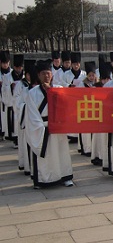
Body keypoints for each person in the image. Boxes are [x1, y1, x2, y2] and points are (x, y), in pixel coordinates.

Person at [26, 60, 74, 189]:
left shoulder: (59, 89)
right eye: (43, 73)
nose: (46, 76)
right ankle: (43, 179)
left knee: (61, 153)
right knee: (45, 155)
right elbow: (32, 114)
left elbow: (66, 105)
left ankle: (65, 177)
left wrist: (51, 92)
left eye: (48, 73)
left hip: (58, 126)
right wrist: (42, 128)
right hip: (42, 127)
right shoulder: (32, 93)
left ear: (52, 74)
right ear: (38, 75)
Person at [14, 59, 38, 175]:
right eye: (28, 75)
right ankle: (27, 166)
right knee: (26, 144)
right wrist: (25, 107)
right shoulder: (22, 87)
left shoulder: (37, 88)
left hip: (36, 122)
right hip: (26, 120)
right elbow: (17, 103)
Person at [90, 61, 112, 167]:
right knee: (98, 137)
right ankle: (98, 156)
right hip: (98, 115)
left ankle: (106, 156)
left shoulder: (112, 87)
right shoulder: (96, 87)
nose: (106, 81)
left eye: (108, 79)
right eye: (104, 79)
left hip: (109, 116)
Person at [1, 53, 24, 147]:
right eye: (17, 67)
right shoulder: (7, 77)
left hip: (21, 103)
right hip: (11, 102)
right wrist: (10, 87)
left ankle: (20, 139)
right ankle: (15, 140)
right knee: (13, 123)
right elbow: (4, 90)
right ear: (14, 67)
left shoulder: (24, 77)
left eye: (20, 67)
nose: (19, 69)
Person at [77, 61, 97, 157]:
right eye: (90, 75)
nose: (91, 77)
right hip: (85, 108)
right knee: (86, 131)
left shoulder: (98, 83)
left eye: (93, 75)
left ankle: (94, 149)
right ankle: (86, 148)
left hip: (96, 109)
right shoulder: (82, 84)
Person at [0, 50, 12, 141]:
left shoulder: (12, 73)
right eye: (3, 63)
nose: (5, 65)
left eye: (6, 63)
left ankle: (8, 133)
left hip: (9, 100)